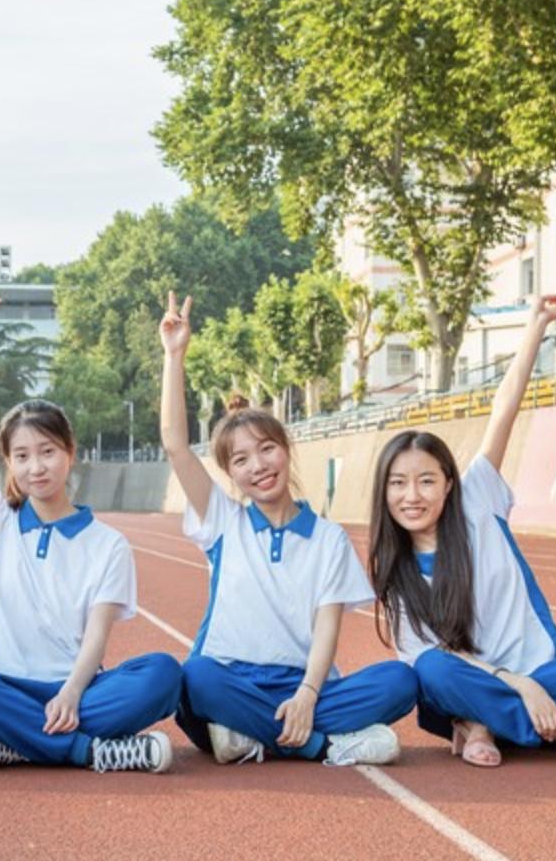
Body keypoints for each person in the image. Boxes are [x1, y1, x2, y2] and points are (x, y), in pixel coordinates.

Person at [369, 295, 556, 769]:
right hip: (475, 683)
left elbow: (505, 407)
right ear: (384, 493)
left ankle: (487, 726)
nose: (412, 496)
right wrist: (517, 685)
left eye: (426, 481)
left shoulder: (479, 498)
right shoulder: (397, 576)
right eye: (398, 484)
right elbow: (438, 661)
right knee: (431, 669)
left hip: (548, 672)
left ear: (448, 483)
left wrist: (535, 328)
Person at [158, 291, 416, 766]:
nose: (258, 466)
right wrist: (175, 357)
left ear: (286, 449)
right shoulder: (223, 523)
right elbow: (175, 445)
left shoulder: (327, 538)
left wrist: (307, 694)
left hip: (303, 682)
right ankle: (325, 746)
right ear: (230, 473)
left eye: (266, 450)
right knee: (193, 679)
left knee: (402, 682)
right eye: (241, 460)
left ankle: (250, 738)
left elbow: (327, 630)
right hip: (229, 680)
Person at [0, 288, 181, 773]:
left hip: (76, 691)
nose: (36, 467)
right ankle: (88, 751)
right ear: (8, 464)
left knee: (166, 674)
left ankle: (14, 743)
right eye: (21, 457)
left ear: (71, 452)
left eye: (47, 451)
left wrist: (70, 691)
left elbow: (97, 637)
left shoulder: (106, 544)